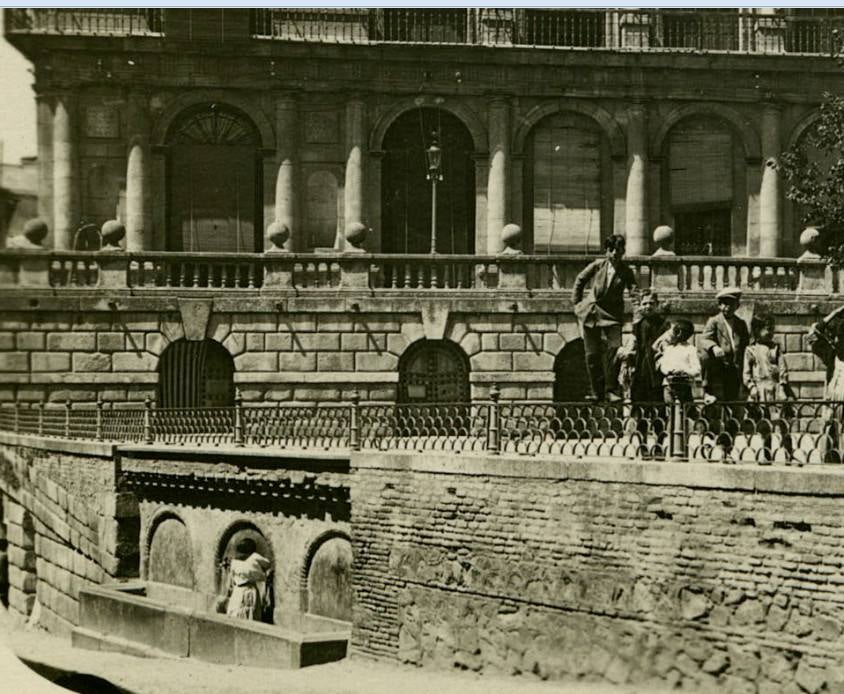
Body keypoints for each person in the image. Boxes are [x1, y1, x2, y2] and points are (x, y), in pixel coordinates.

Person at [572, 234, 639, 402]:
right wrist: (577, 305)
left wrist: (638, 311)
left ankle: (611, 389)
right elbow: (580, 281)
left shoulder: (626, 271)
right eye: (613, 250)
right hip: (592, 312)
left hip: (613, 316)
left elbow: (634, 292)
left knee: (615, 350)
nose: (617, 254)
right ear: (607, 251)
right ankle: (596, 392)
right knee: (592, 355)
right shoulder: (597, 265)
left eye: (620, 250)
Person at [618, 289, 671, 403]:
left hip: (657, 365)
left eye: (651, 303)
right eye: (645, 303)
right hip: (641, 365)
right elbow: (633, 343)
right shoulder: (638, 325)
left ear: (656, 304)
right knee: (639, 397)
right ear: (641, 305)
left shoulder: (664, 324)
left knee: (657, 398)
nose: (648, 306)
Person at [699, 287, 750, 402]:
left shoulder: (740, 323)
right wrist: (714, 347)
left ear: (737, 306)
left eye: (731, 305)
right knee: (718, 398)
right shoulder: (714, 321)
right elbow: (705, 339)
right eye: (724, 304)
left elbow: (746, 342)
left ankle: (730, 418)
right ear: (719, 306)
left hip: (735, 365)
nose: (727, 308)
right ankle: (707, 390)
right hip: (719, 365)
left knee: (732, 397)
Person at [743, 313, 793, 403]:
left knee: (776, 414)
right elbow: (746, 373)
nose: (771, 333)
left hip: (775, 388)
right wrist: (751, 387)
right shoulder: (750, 350)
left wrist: (782, 386)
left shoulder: (776, 348)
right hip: (758, 389)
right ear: (757, 330)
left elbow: (783, 369)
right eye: (768, 330)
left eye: (772, 330)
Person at [225, 538, 272, 622]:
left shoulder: (235, 562)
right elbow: (267, 564)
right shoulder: (254, 559)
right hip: (248, 590)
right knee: (248, 614)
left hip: (239, 590)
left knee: (237, 612)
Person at [656, 319, 702, 404]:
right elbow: (663, 365)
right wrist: (668, 371)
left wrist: (684, 371)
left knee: (685, 408)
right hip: (669, 385)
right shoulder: (669, 349)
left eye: (673, 331)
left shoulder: (690, 349)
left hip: (684, 385)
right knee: (670, 409)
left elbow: (697, 369)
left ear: (680, 333)